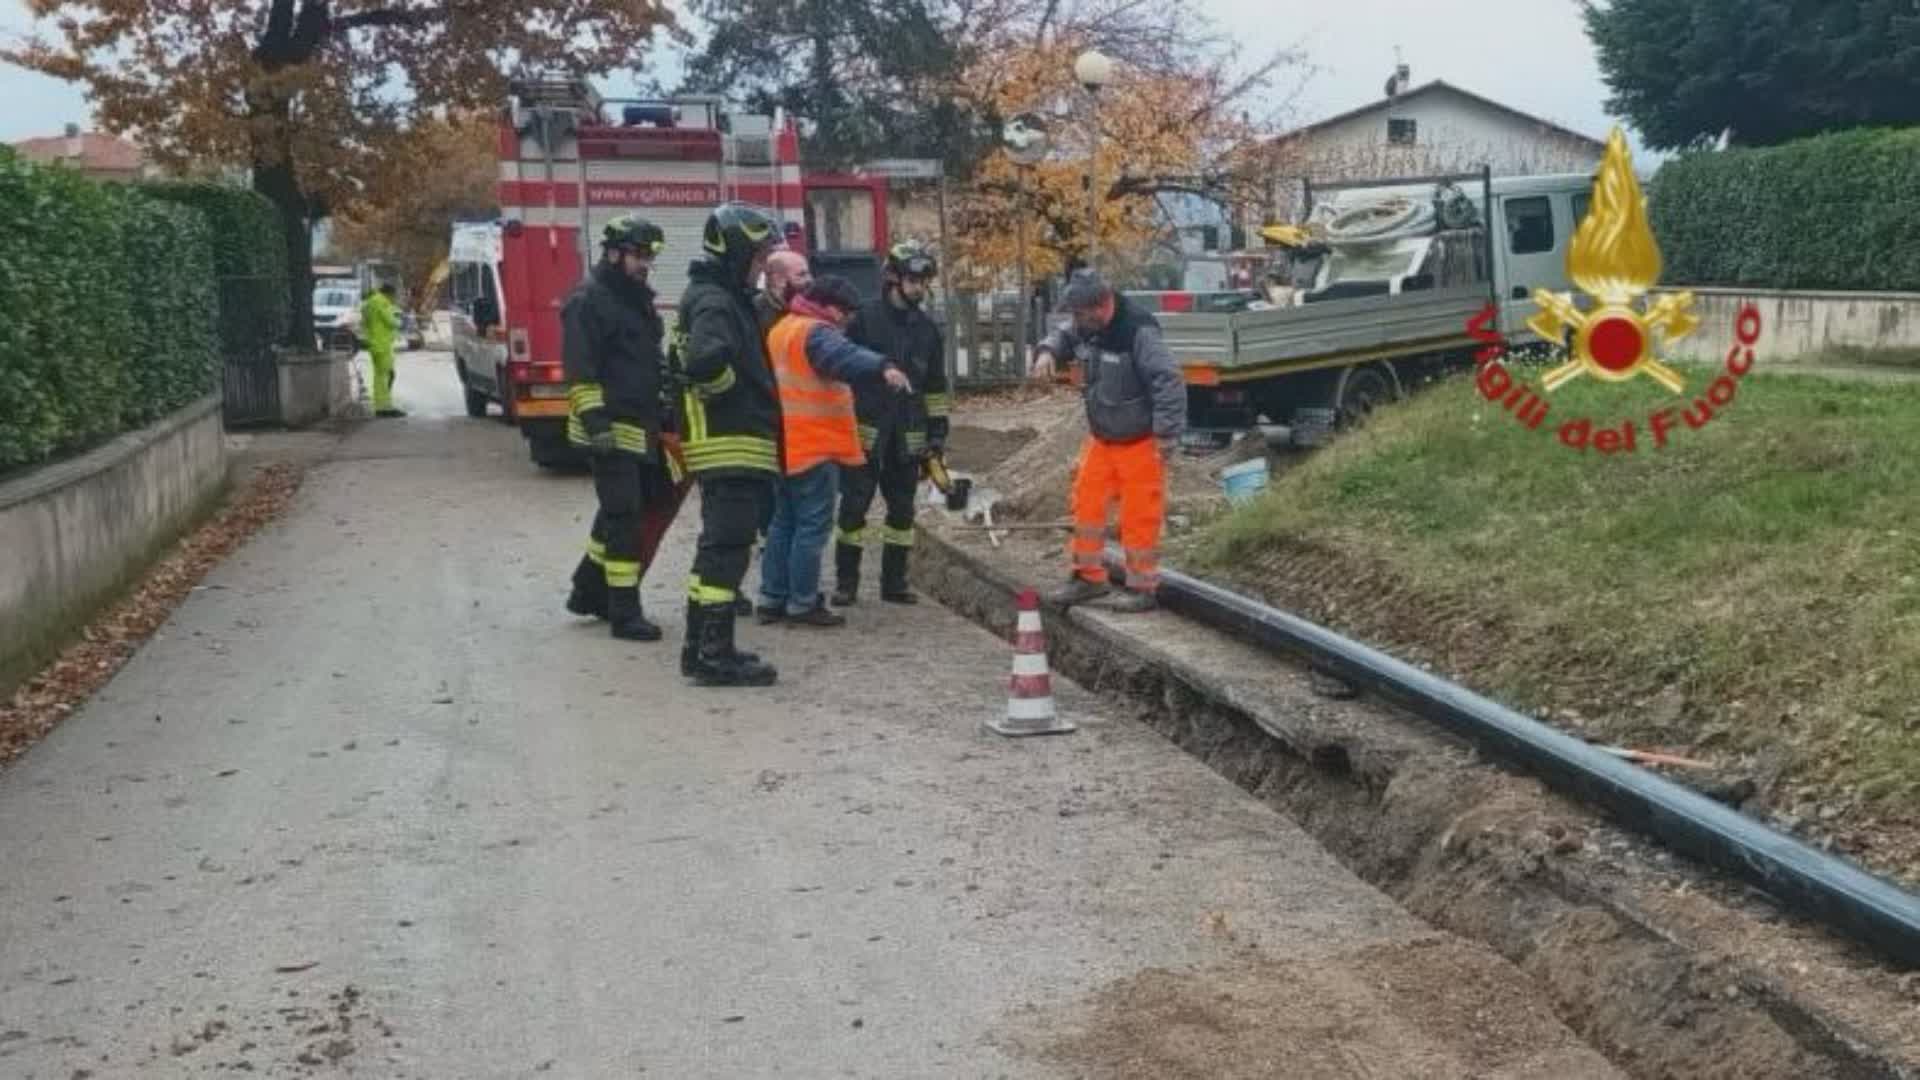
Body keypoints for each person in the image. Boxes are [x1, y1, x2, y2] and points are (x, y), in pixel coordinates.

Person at [1028, 271, 1187, 612]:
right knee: (1086, 503)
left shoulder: (1138, 331)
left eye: (1080, 314)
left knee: (1139, 514)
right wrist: (1046, 352)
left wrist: (1166, 434)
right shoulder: (1088, 324)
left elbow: (1168, 380)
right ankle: (1088, 578)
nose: (1076, 321)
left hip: (1141, 442)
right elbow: (1063, 335)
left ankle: (1143, 587)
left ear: (1099, 307)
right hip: (1103, 437)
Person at [758, 277, 912, 628]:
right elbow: (844, 356)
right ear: (828, 307)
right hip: (814, 445)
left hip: (784, 443)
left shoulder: (783, 329)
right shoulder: (817, 332)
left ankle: (772, 597)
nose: (847, 322)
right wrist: (883, 366)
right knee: (812, 526)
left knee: (783, 523)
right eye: (844, 313)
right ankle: (802, 602)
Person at [675, 203, 786, 687]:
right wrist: (731, 399)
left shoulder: (717, 296)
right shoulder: (717, 302)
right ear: (736, 251)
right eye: (758, 256)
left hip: (727, 445)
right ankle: (716, 655)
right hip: (731, 445)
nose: (763, 266)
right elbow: (703, 363)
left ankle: (699, 648)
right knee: (729, 550)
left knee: (715, 549)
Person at [561, 216, 677, 641]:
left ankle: (586, 590)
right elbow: (580, 369)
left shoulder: (634, 299)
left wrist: (666, 403)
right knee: (624, 516)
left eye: (648, 256)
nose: (645, 264)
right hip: (609, 426)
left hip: (640, 422)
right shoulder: (588, 300)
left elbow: (648, 358)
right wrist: (596, 424)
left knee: (620, 511)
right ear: (613, 253)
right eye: (639, 255)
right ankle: (624, 611)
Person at [832, 240, 950, 607]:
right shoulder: (864, 320)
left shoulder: (928, 330)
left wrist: (937, 436)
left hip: (908, 437)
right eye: (915, 280)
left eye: (925, 281)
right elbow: (841, 370)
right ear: (894, 278)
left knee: (902, 512)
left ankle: (894, 582)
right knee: (854, 509)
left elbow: (934, 387)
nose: (921, 288)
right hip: (864, 434)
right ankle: (846, 583)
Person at [361, 283, 404, 418]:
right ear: (389, 293)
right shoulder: (381, 302)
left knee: (381, 376)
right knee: (385, 377)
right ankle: (384, 408)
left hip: (374, 343)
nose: (394, 299)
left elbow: (366, 322)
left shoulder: (369, 303)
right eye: (394, 296)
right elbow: (390, 321)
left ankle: (382, 406)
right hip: (382, 344)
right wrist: (400, 321)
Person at [756, 250, 813, 334]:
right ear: (778, 280)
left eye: (809, 273)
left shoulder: (811, 306)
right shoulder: (756, 313)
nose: (810, 279)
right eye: (801, 275)